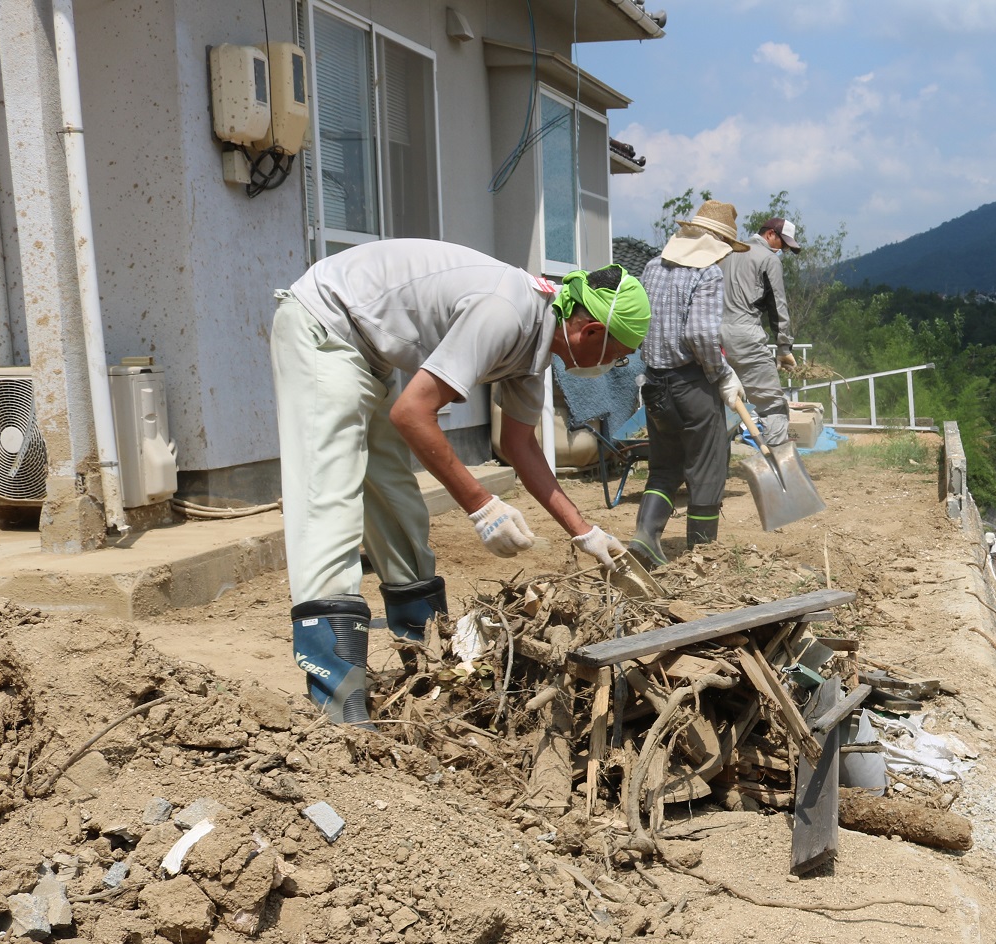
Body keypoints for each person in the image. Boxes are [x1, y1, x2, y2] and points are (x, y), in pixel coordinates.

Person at [270, 239, 644, 724]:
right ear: (591, 330)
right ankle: (337, 710)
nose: (612, 367)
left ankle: (425, 676)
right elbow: (412, 413)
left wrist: (585, 531)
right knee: (331, 499)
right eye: (616, 356)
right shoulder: (508, 312)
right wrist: (481, 505)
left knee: (398, 505)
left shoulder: (537, 340)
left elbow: (519, 445)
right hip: (324, 324)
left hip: (368, 353)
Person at [627, 200, 750, 567]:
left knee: (665, 467)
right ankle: (702, 555)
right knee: (708, 467)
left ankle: (644, 540)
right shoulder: (707, 274)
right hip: (691, 385)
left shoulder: (652, 267)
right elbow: (699, 333)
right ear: (717, 243)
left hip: (654, 384)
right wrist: (722, 373)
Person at [720, 215, 802, 445]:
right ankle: (778, 469)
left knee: (721, 404)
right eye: (782, 243)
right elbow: (777, 305)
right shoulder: (768, 259)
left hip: (713, 337)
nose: (783, 250)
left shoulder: (727, 253)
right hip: (745, 334)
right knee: (773, 405)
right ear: (770, 234)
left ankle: (713, 468)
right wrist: (784, 346)